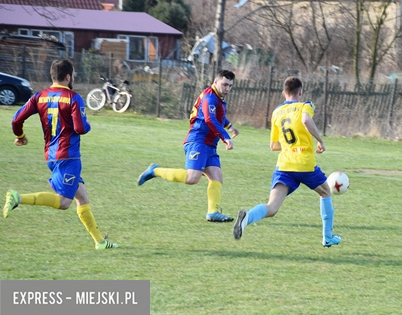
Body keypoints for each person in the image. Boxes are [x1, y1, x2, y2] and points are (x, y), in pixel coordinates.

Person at [4, 59, 117, 250]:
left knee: (81, 196)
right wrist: (88, 123)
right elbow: (80, 128)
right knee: (64, 202)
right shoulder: (73, 97)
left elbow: (16, 119)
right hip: (69, 157)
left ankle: (100, 242)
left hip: (52, 155)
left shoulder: (39, 96)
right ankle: (18, 197)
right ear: (68, 76)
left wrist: (20, 136)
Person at [233, 76, 341, 247]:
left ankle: (247, 218)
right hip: (304, 162)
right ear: (300, 92)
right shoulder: (305, 105)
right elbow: (305, 120)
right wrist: (319, 140)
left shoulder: (276, 112)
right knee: (325, 192)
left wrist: (288, 145)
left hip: (284, 164)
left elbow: (273, 145)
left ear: (284, 93)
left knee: (272, 207)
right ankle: (327, 237)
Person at [137, 69, 239, 222]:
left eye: (230, 86)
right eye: (224, 85)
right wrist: (226, 137)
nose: (227, 89)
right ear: (215, 82)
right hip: (198, 142)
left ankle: (212, 213)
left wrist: (229, 125)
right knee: (192, 178)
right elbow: (210, 119)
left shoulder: (217, 98)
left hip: (209, 145)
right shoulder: (210, 97)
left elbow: (219, 116)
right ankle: (154, 171)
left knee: (216, 177)